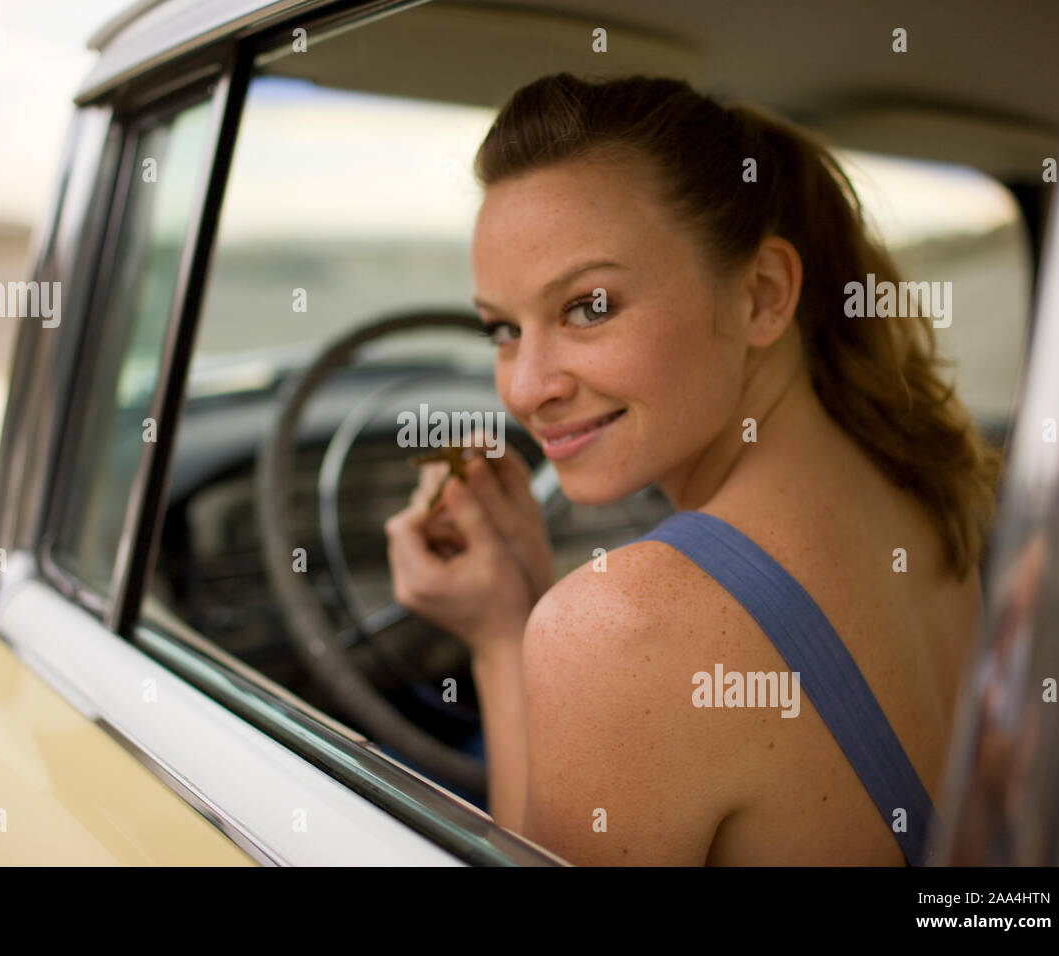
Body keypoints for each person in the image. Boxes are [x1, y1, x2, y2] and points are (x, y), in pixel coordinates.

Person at [384, 73, 1001, 865]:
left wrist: (502, 646)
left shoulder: (617, 629)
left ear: (762, 295)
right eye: (503, 329)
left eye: (589, 306)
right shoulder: (931, 491)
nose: (528, 388)